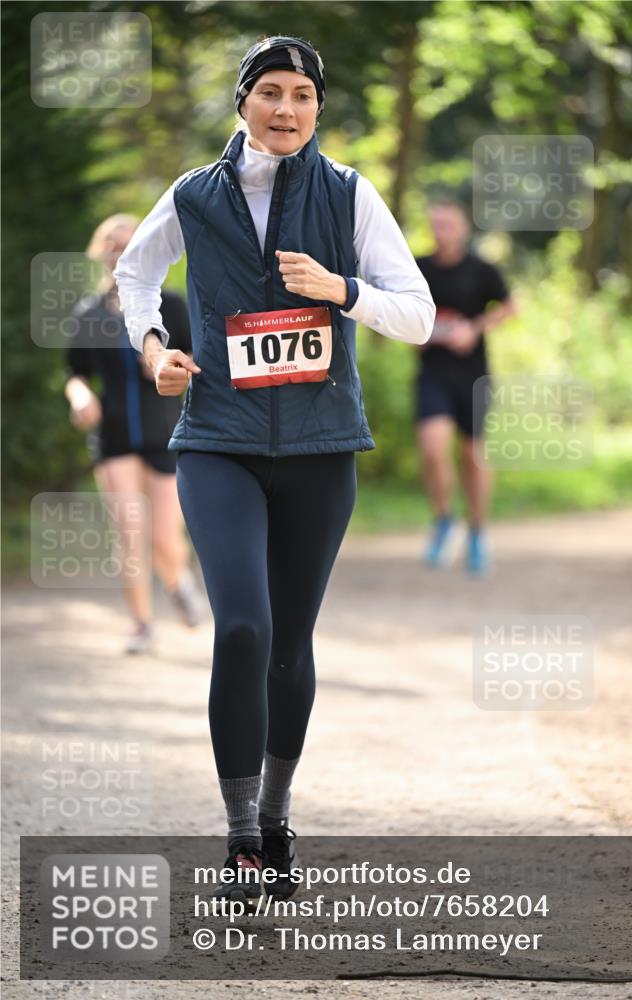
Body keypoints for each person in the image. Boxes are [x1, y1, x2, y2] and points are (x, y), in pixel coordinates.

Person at [113, 35, 434, 905]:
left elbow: (417, 314)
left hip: (322, 453)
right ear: (243, 103)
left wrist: (342, 291)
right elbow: (132, 274)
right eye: (269, 93)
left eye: (301, 94)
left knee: (288, 647)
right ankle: (240, 835)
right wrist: (153, 351)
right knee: (243, 630)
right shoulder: (193, 195)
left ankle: (279, 812)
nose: (285, 109)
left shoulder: (349, 193)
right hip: (217, 439)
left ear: (318, 108)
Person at [65, 214, 205, 654]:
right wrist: (79, 398)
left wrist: (167, 363)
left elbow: (200, 362)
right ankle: (142, 625)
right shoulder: (88, 314)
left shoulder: (173, 305)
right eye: (111, 243)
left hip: (166, 433)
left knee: (165, 536)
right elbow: (76, 374)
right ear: (100, 252)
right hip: (114, 437)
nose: (119, 251)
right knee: (129, 532)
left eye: (128, 244)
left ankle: (178, 582)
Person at [415, 200, 517, 574]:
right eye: (435, 223)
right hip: (433, 373)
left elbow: (510, 306)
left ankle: (477, 531)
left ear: (463, 229)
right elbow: (400, 307)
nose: (441, 230)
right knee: (433, 449)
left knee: (472, 455)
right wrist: (415, 333)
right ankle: (444, 520)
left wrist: (473, 329)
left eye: (448, 223)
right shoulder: (418, 268)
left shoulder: (482, 270)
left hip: (473, 375)